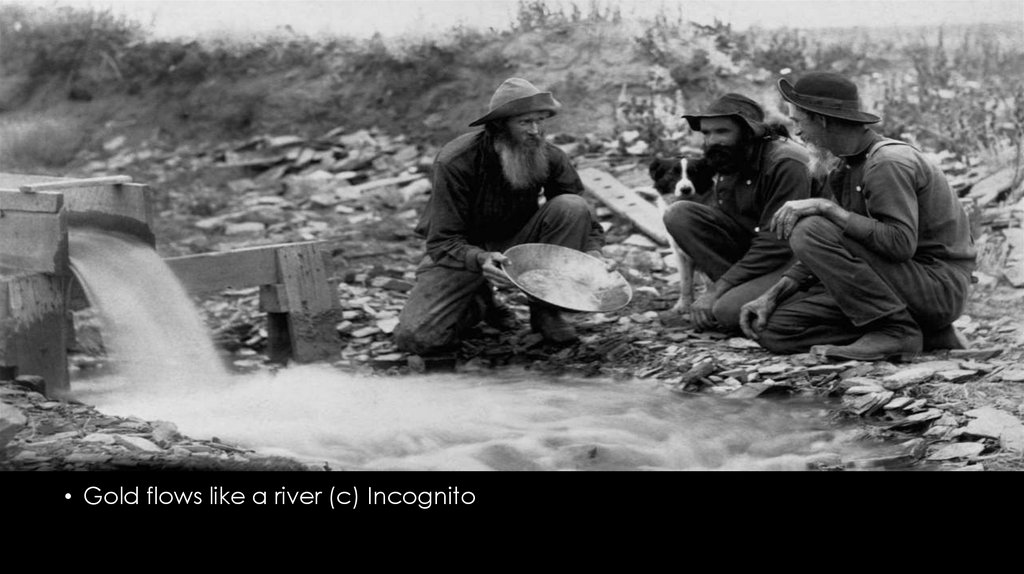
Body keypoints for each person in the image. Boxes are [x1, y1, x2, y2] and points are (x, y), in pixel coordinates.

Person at [739, 71, 977, 361]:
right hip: (897, 285)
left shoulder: (887, 163)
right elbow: (834, 246)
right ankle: (926, 333)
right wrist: (772, 296)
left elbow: (899, 244)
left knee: (808, 228)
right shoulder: (846, 166)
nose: (797, 132)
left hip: (936, 288)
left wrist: (827, 208)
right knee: (775, 330)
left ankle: (896, 332)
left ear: (822, 119)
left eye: (799, 122)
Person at [394, 78, 605, 355]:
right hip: (463, 252)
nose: (535, 131)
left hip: (520, 244)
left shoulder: (550, 156)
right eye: (525, 122)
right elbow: (441, 240)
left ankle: (546, 311)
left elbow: (583, 215)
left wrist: (593, 253)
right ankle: (481, 303)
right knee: (418, 338)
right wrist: (480, 259)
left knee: (571, 206)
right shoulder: (456, 161)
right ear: (499, 126)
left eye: (540, 120)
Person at [662, 93, 812, 331]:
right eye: (706, 133)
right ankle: (741, 293)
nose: (712, 140)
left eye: (722, 131)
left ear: (749, 132)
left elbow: (776, 244)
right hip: (754, 254)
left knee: (726, 312)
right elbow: (727, 223)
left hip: (793, 261)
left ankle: (794, 301)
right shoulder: (730, 157)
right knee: (679, 214)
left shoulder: (786, 162)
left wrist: (716, 290)